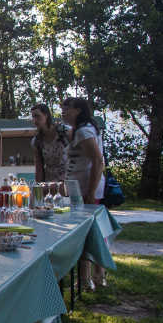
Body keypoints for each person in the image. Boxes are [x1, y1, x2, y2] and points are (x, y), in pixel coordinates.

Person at [61, 97, 106, 289]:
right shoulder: (78, 130)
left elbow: (97, 161)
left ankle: (92, 278)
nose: (63, 112)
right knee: (88, 233)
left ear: (78, 110)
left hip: (86, 191)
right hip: (78, 190)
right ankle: (91, 278)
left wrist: (91, 191)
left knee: (89, 234)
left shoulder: (84, 131)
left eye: (67, 109)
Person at [31, 104, 69, 183]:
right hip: (50, 184)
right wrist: (39, 187)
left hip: (69, 180)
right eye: (33, 117)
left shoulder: (65, 132)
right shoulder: (37, 141)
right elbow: (39, 167)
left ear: (46, 115)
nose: (35, 120)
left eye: (37, 116)